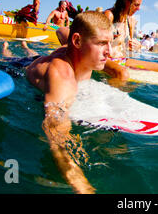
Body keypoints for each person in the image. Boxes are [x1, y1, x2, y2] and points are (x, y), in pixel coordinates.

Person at [25, 11, 113, 194]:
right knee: (14, 57)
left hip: (43, 59)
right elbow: (56, 133)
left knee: (32, 54)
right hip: (19, 68)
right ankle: (10, 49)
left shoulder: (81, 53)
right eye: (102, 43)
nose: (109, 52)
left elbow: (63, 30)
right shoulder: (63, 77)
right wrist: (84, 187)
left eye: (110, 42)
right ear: (77, 41)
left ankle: (27, 47)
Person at [102, 0, 158, 81]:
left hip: (121, 60)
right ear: (125, 0)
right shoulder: (109, 15)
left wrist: (137, 47)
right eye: (136, 4)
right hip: (104, 60)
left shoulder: (130, 21)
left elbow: (128, 49)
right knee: (123, 74)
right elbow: (97, 44)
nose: (138, 9)